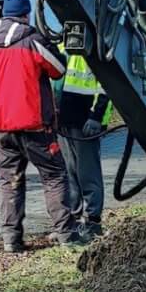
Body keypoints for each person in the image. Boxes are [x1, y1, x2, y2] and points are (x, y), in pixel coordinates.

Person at [0, 0, 80, 251]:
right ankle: (66, 234)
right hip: (35, 125)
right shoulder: (32, 39)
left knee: (9, 181)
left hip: (0, 127)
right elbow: (58, 69)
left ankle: (11, 239)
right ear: (25, 14)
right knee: (54, 176)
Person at [57, 51, 110, 240]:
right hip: (66, 119)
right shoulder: (66, 43)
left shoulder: (96, 47)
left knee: (88, 172)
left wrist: (97, 116)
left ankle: (93, 221)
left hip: (85, 121)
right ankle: (75, 219)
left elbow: (107, 84)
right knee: (70, 172)